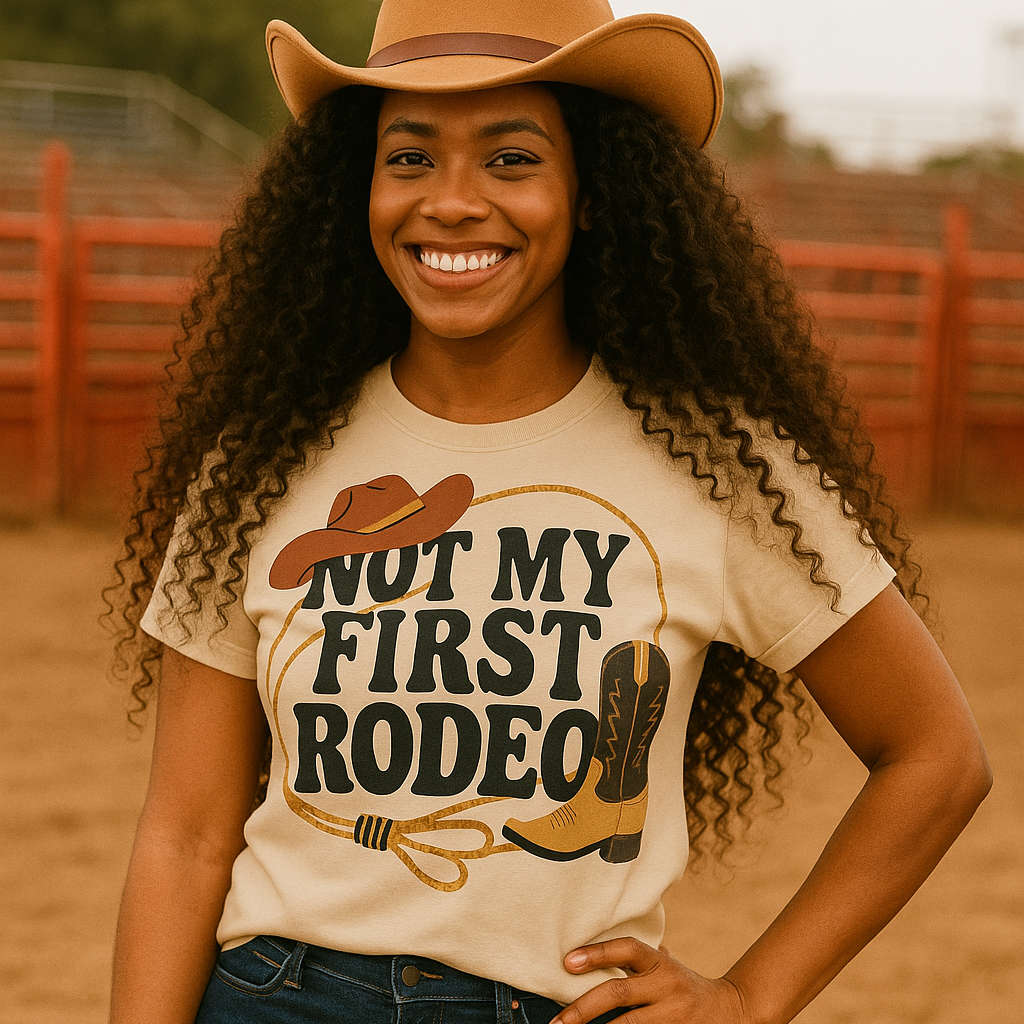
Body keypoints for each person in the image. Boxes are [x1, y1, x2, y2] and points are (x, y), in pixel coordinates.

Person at [106, 2, 992, 1022]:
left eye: (510, 159)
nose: (449, 202)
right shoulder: (260, 461)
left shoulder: (716, 464)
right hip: (276, 992)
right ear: (359, 187)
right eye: (408, 158)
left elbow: (935, 755)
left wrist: (751, 994)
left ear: (591, 196)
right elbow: (186, 829)